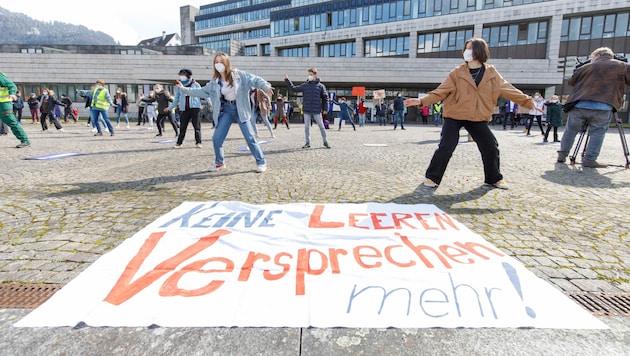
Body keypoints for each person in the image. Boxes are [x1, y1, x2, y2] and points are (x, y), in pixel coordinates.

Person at [404, 37, 541, 190]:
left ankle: (493, 178)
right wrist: (421, 101)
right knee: (446, 145)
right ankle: (432, 177)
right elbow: (441, 91)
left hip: (477, 116)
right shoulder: (457, 73)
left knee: (490, 146)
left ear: (479, 51)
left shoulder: (491, 73)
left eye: (470, 48)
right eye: (466, 48)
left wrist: (529, 102)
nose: (467, 51)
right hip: (454, 115)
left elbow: (508, 89)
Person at [176, 52, 273, 173]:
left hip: (240, 109)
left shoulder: (239, 75)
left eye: (221, 62)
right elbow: (200, 91)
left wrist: (266, 86)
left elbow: (255, 79)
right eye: (216, 62)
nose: (218, 64)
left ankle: (261, 162)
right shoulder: (214, 82)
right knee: (217, 138)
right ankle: (219, 163)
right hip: (226, 110)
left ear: (226, 63)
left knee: (250, 137)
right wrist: (184, 89)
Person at [557, 47, 630, 168]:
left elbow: (571, 81)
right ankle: (589, 159)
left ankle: (562, 155)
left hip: (580, 104)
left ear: (597, 55)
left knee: (570, 130)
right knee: (597, 132)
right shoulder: (622, 66)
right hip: (604, 105)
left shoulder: (585, 67)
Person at [284, 67, 330, 149]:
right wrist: (287, 80)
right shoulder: (305, 85)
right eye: (308, 75)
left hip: (316, 110)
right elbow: (293, 89)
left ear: (315, 75)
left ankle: (325, 141)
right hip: (307, 109)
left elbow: (325, 98)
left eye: (311, 75)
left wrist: (325, 109)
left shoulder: (321, 86)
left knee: (321, 126)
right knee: (306, 127)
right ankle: (307, 142)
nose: (309, 76)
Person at [168, 68, 203, 148]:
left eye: (183, 74)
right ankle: (179, 143)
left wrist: (209, 101)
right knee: (183, 126)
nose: (181, 76)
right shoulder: (179, 86)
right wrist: (170, 107)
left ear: (188, 75)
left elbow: (201, 93)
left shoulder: (195, 84)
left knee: (196, 126)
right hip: (184, 108)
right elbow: (176, 98)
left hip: (195, 107)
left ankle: (198, 142)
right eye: (180, 75)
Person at [0, 72, 30, 147]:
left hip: (4, 103)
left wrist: (12, 93)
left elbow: (11, 85)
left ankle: (25, 140)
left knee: (11, 121)